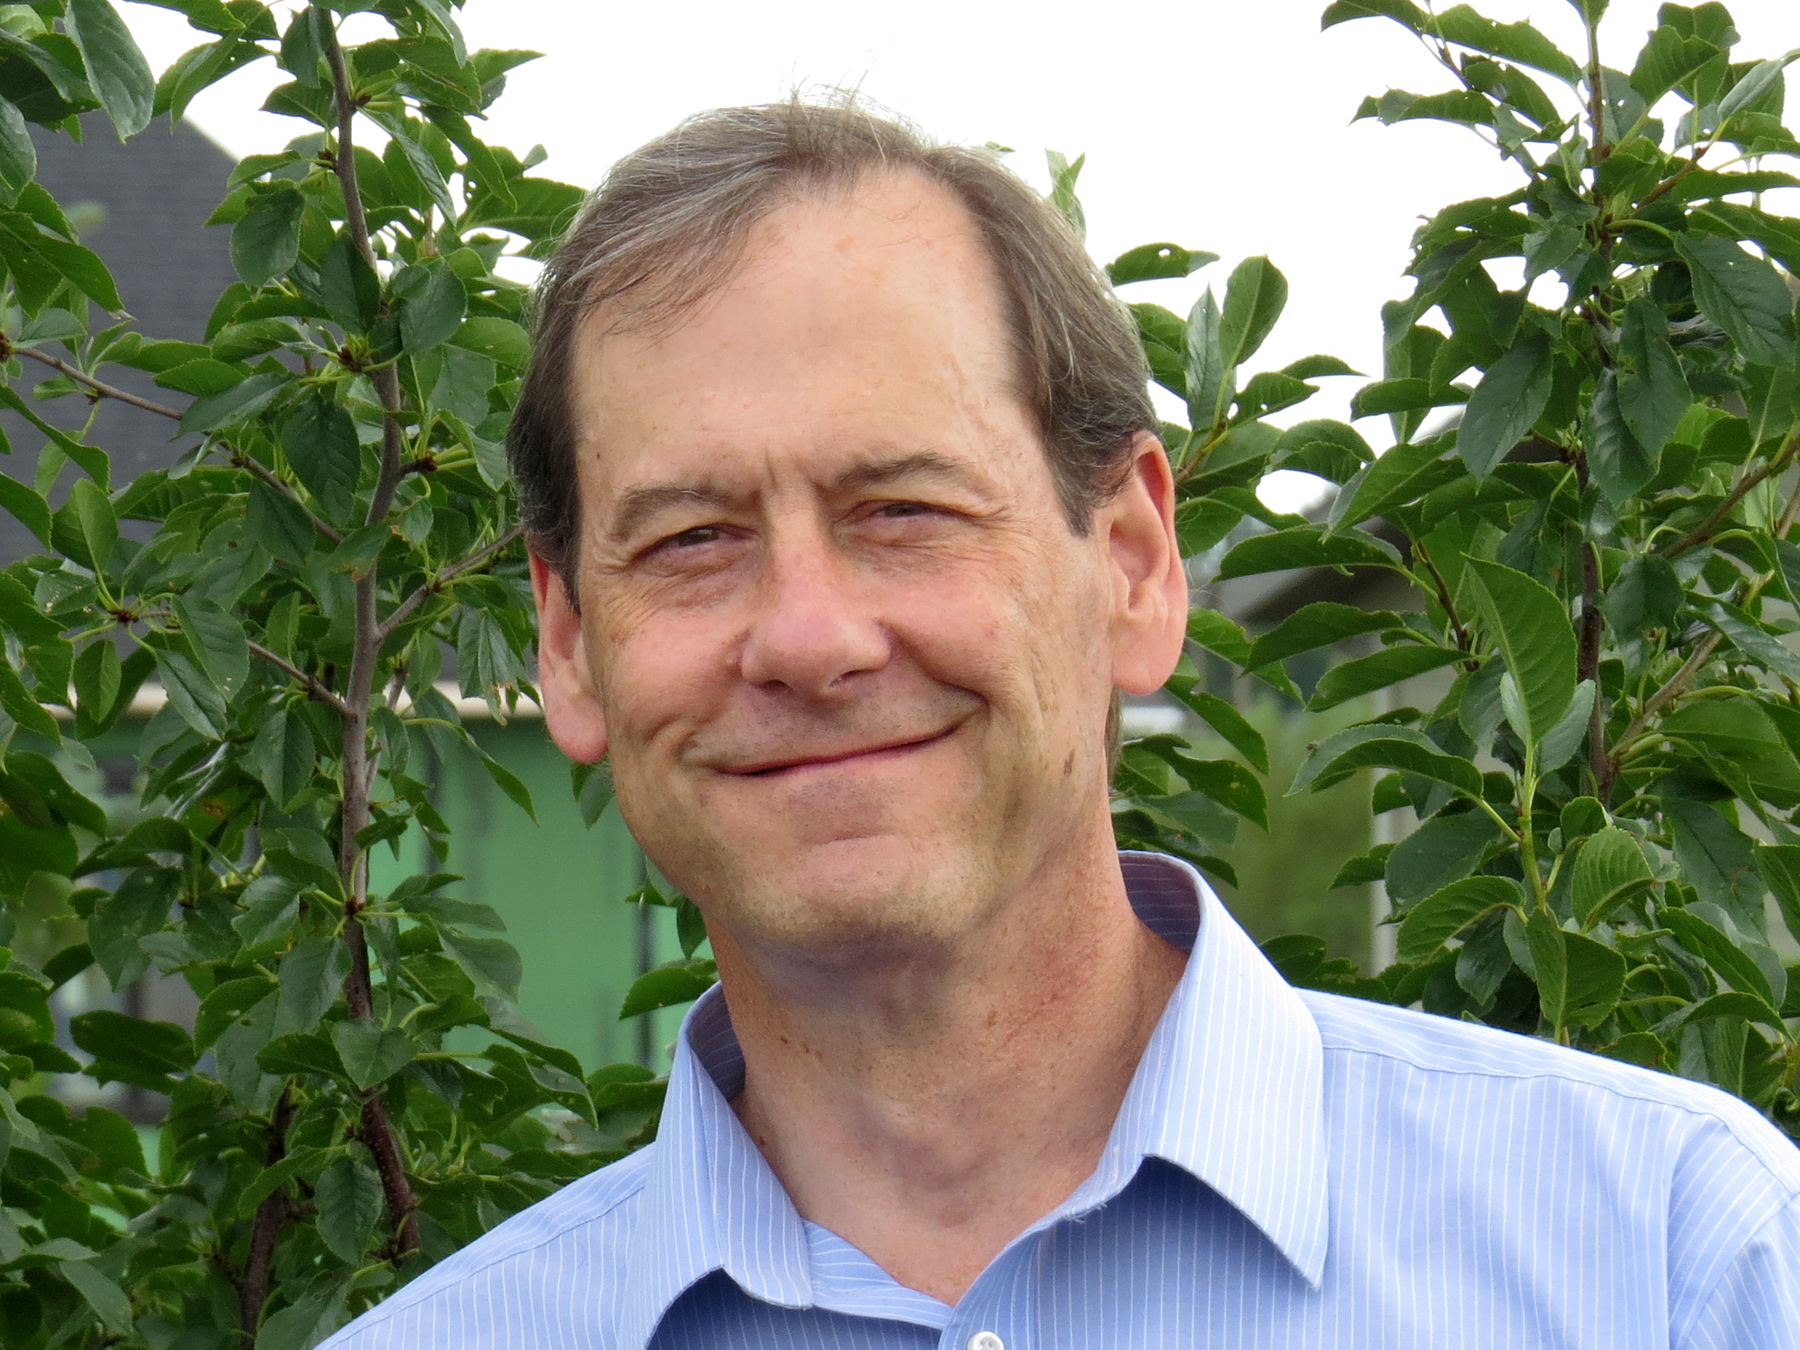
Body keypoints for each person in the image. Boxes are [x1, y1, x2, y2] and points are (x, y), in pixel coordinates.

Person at [323, 100, 1800, 1350]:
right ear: (569, 643)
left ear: (1135, 566)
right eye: (693, 540)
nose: (811, 639)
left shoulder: (1670, 1263)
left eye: (902, 509)